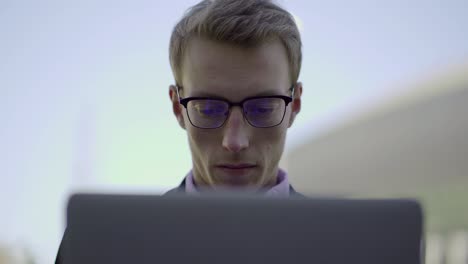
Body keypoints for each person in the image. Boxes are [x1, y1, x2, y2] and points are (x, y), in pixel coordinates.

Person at [55, 0, 303, 262]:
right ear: (177, 107)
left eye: (263, 108)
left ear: (295, 105)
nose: (235, 141)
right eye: (207, 109)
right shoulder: (98, 247)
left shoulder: (347, 248)